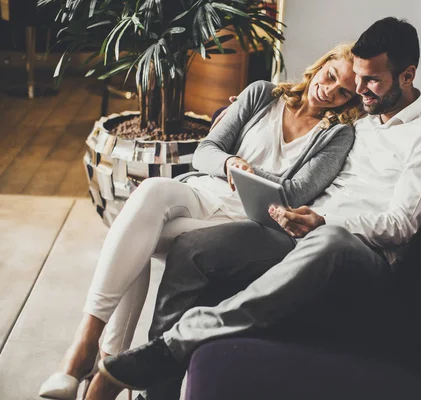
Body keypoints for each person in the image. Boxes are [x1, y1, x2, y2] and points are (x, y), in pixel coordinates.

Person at [94, 16, 421, 400]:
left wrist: (324, 220)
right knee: (192, 250)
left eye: (374, 81)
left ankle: (169, 348)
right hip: (302, 232)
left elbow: (400, 225)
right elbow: (305, 140)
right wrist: (241, 117)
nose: (361, 90)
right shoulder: (362, 119)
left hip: (361, 255)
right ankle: (159, 392)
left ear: (408, 75)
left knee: (332, 239)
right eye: (358, 78)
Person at [39, 43, 363, 400]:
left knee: (134, 234)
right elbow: (207, 150)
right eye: (330, 76)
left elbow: (297, 191)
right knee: (150, 193)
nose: (330, 90)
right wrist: (226, 164)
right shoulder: (262, 94)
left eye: (344, 91)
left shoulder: (337, 134)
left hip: (245, 220)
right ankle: (87, 347)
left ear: (351, 99)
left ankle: (101, 362)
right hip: (203, 193)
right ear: (320, 65)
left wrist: (247, 169)